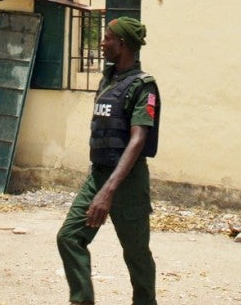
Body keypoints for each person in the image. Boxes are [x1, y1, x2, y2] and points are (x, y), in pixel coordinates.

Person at [57, 16, 160, 305]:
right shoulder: (108, 79)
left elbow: (138, 140)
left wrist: (110, 190)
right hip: (98, 175)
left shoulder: (144, 87)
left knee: (137, 254)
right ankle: (82, 300)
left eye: (107, 38)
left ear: (123, 44)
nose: (101, 43)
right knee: (69, 237)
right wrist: (100, 186)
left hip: (127, 183)